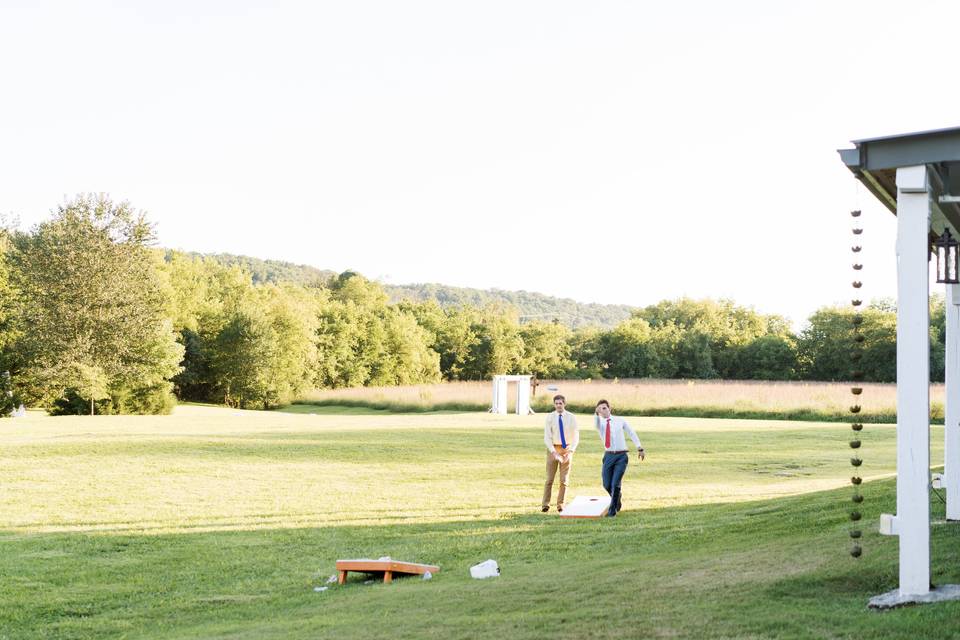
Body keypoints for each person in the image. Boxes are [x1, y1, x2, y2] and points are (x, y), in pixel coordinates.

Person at [594, 399, 644, 517]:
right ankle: (617, 497)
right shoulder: (600, 423)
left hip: (621, 456)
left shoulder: (620, 420)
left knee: (615, 483)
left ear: (610, 409)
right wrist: (596, 413)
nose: (603, 411)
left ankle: (612, 511)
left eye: (605, 408)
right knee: (607, 484)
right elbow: (596, 422)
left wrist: (639, 448)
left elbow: (631, 432)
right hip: (608, 455)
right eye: (600, 409)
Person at [542, 394, 578, 512]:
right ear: (554, 404)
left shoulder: (571, 417)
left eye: (560, 403)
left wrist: (571, 451)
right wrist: (553, 452)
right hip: (553, 449)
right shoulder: (550, 417)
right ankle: (545, 504)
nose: (558, 405)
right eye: (556, 403)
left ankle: (560, 505)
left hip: (566, 448)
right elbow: (547, 437)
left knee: (564, 480)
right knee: (549, 479)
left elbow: (576, 436)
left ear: (564, 404)